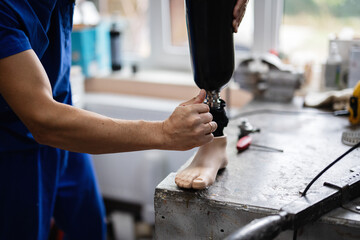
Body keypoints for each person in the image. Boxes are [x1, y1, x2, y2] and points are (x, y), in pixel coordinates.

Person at [0, 0, 249, 239]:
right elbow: (42, 120)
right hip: (16, 145)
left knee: (89, 228)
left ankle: (216, 144)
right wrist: (165, 133)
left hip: (63, 120)